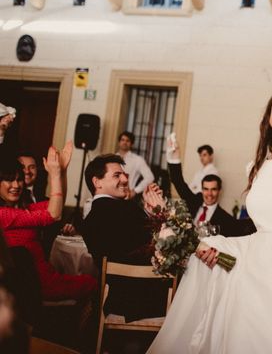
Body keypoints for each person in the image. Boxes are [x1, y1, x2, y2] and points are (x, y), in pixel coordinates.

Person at [148, 79, 272, 353]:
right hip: (251, 271)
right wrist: (214, 250)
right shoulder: (257, 167)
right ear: (269, 111)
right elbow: (254, 234)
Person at [0, 143, 97, 301]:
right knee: (92, 283)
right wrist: (55, 174)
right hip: (36, 284)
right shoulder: (3, 214)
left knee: (90, 284)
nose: (16, 185)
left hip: (45, 277)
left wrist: (63, 172)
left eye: (19, 180)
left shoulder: (26, 208)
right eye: (9, 181)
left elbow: (56, 203)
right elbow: (54, 215)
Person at [81, 154, 168, 322]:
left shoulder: (90, 219)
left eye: (124, 175)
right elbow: (160, 247)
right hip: (146, 298)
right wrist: (160, 213)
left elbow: (131, 246)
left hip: (114, 298)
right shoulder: (126, 210)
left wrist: (148, 211)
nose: (124, 179)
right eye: (116, 175)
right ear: (97, 182)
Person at [166, 141, 256, 237]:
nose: (209, 193)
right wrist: (175, 157)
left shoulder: (224, 218)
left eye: (213, 189)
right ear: (202, 190)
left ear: (219, 191)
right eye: (206, 189)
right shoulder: (193, 201)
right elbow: (178, 181)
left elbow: (243, 229)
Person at [115, 131, 154, 197]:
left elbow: (150, 177)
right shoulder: (112, 158)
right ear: (119, 142)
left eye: (128, 141)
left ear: (131, 144)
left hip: (127, 196)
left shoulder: (138, 160)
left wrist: (135, 190)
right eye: (122, 140)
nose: (124, 142)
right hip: (111, 195)